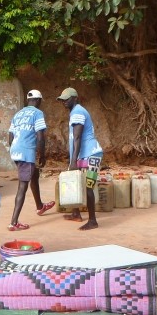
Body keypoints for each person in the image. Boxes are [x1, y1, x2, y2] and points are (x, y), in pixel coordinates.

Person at [6, 89, 55, 231]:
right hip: (26, 151)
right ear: (39, 101)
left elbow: (10, 136)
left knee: (34, 174)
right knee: (23, 185)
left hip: (15, 149)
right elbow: (40, 136)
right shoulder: (38, 113)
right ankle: (13, 222)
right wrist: (42, 155)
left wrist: (16, 149)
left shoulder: (18, 114)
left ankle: (40, 206)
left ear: (28, 100)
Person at [57, 87, 103, 230]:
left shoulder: (77, 112)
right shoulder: (75, 112)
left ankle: (93, 221)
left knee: (88, 187)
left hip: (92, 154)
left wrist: (72, 161)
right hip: (83, 155)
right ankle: (76, 213)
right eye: (62, 99)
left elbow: (77, 137)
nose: (64, 101)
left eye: (67, 99)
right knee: (76, 183)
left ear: (75, 98)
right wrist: (74, 159)